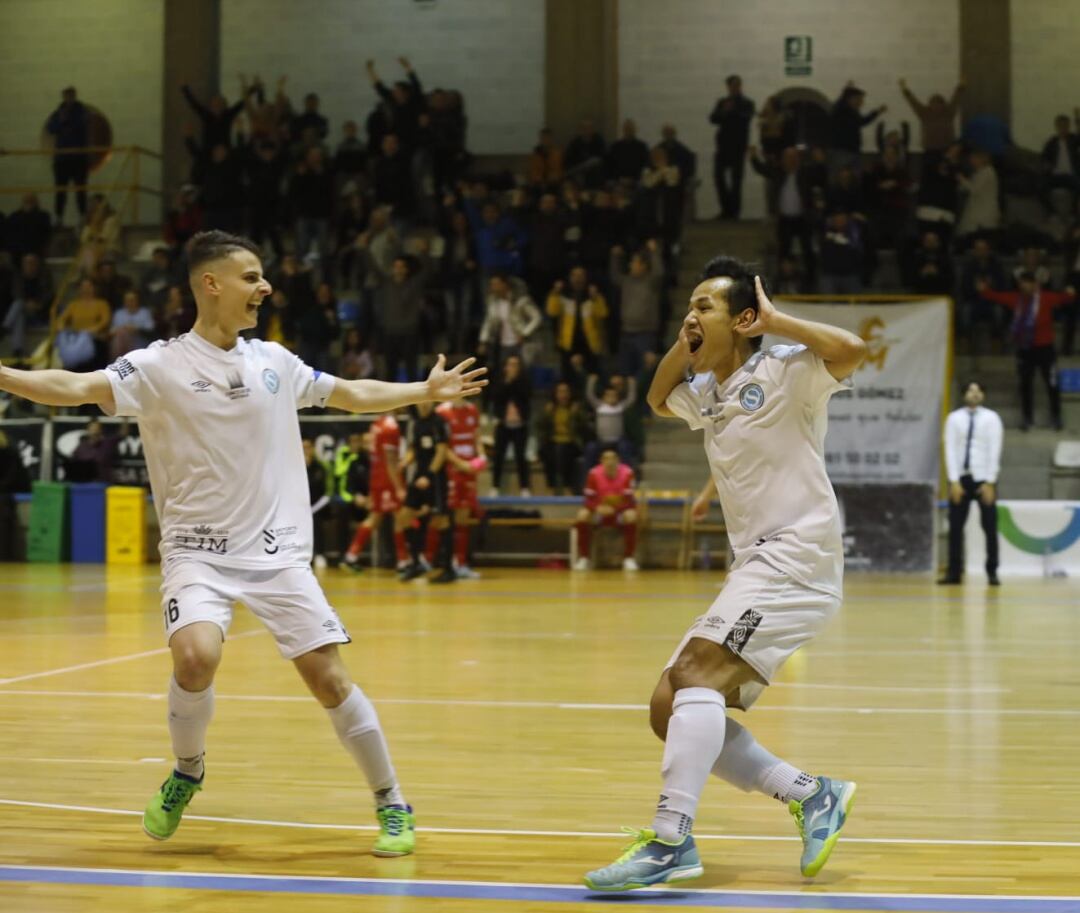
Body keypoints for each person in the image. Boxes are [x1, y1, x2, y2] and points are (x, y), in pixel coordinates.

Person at [0, 230, 486, 856]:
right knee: (195, 656)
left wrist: (424, 392)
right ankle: (188, 770)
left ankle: (392, 802)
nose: (265, 286)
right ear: (211, 284)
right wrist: (5, 374)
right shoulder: (156, 367)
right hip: (196, 550)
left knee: (328, 679)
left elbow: (351, 394)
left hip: (277, 552)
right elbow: (72, 385)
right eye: (251, 276)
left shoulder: (275, 362)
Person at [583, 257, 867, 892]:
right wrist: (686, 343)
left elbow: (852, 350)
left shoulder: (788, 369)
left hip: (796, 558)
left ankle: (669, 839)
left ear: (743, 319)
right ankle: (811, 794)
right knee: (669, 706)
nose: (690, 313)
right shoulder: (705, 393)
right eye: (688, 305)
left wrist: (776, 322)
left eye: (704, 306)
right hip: (759, 565)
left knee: (692, 676)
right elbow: (657, 397)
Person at [978, 272, 1075, 431]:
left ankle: (1056, 417)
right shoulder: (1016, 299)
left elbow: (1065, 298)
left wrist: (1070, 292)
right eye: (1022, 283)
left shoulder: (1046, 297)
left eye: (1028, 283)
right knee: (1025, 385)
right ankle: (1027, 418)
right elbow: (996, 297)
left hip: (1046, 349)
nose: (1025, 286)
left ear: (1036, 285)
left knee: (1052, 384)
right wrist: (984, 290)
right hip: (1025, 349)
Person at [939, 380, 1002, 586]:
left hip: (984, 478)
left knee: (990, 526)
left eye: (978, 391)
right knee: (955, 528)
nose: (974, 394)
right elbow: (950, 449)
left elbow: (995, 449)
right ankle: (954, 572)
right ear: (964, 394)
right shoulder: (954, 418)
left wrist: (991, 481)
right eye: (970, 390)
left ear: (983, 395)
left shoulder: (992, 419)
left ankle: (992, 571)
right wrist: (953, 481)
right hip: (962, 479)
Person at [342, 413, 409, 571]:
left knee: (375, 517)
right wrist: (399, 486)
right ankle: (404, 561)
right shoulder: (390, 427)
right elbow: (390, 459)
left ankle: (351, 556)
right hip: (387, 480)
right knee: (399, 517)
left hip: (376, 477)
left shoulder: (376, 424)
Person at [398, 401, 453, 583]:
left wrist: (429, 475)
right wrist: (404, 462)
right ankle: (415, 563)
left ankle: (447, 569)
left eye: (427, 401)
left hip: (435, 478)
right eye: (421, 401)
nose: (424, 405)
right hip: (418, 475)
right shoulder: (414, 423)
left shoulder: (438, 422)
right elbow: (413, 449)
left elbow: (441, 452)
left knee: (440, 520)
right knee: (405, 516)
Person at [436, 398, 484, 579]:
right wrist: (460, 464)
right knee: (442, 517)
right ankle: (430, 560)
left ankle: (460, 563)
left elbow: (477, 437)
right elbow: (442, 446)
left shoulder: (472, 409)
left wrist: (481, 457)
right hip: (451, 471)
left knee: (463, 516)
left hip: (469, 470)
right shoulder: (442, 411)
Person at [574, 448, 639, 572]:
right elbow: (588, 498)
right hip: (599, 511)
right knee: (582, 515)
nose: (610, 462)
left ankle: (628, 558)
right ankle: (584, 558)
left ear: (618, 460)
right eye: (606, 458)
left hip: (620, 511)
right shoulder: (593, 473)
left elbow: (629, 499)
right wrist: (597, 508)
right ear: (601, 461)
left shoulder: (627, 473)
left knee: (631, 516)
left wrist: (615, 509)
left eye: (613, 458)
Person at [709, 75, 755, 219]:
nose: (735, 87)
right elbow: (713, 118)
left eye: (738, 85)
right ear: (728, 87)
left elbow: (746, 118)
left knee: (736, 180)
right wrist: (724, 111)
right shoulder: (722, 102)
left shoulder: (748, 103)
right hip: (723, 146)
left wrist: (731, 111)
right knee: (718, 177)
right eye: (732, 85)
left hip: (738, 146)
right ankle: (726, 209)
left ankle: (734, 212)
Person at [489, 354, 532, 497]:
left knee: (521, 456)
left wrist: (514, 381)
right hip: (503, 424)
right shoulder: (500, 381)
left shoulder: (525, 381)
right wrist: (508, 381)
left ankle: (524, 487)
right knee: (498, 456)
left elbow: (526, 396)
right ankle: (495, 486)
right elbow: (496, 397)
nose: (513, 367)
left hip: (520, 425)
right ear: (505, 367)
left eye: (516, 364)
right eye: (510, 364)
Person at [45, 87, 90, 224]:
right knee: (60, 191)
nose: (69, 99)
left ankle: (82, 216)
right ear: (63, 97)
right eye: (66, 96)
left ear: (75, 96)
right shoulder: (58, 113)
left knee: (81, 190)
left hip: (78, 158)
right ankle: (59, 217)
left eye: (71, 96)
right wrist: (61, 120)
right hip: (62, 159)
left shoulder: (82, 112)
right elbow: (50, 129)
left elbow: (83, 125)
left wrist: (68, 119)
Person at [539, 381, 588, 495]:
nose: (563, 394)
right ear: (555, 394)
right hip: (553, 442)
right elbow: (541, 427)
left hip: (572, 442)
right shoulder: (550, 409)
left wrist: (576, 414)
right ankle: (551, 486)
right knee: (549, 452)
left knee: (563, 452)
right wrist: (546, 414)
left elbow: (584, 428)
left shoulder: (576, 408)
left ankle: (566, 486)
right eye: (560, 391)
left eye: (566, 391)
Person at [303, 437, 332, 569]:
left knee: (316, 519)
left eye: (308, 447)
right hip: (298, 507)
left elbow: (328, 492)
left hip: (318, 506)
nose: (306, 451)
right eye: (303, 448)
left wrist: (313, 509)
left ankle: (319, 553)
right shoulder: (294, 466)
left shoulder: (322, 466)